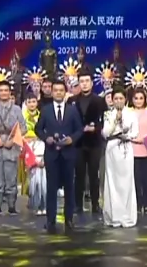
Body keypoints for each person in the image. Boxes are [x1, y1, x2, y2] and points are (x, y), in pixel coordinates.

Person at [35, 79, 84, 234]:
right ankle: (50, 220)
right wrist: (46, 138)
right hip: (52, 154)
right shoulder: (46, 110)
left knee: (69, 188)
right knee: (51, 188)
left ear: (65, 92)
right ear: (52, 92)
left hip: (68, 155)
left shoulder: (72, 110)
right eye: (55, 90)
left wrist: (72, 139)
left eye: (61, 90)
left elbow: (79, 130)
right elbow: (38, 129)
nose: (58, 93)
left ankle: (69, 219)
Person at [0, 80, 26, 215]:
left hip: (11, 149)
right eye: (1, 90)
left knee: (11, 179)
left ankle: (12, 206)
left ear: (10, 92)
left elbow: (23, 128)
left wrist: (13, 141)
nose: (3, 93)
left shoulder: (17, 110)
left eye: (6, 90)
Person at [70, 71, 107, 217]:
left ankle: (95, 204)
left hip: (94, 142)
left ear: (92, 83)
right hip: (78, 143)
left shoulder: (99, 101)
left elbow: (105, 120)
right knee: (78, 174)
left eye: (87, 81)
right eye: (82, 81)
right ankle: (77, 205)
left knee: (93, 174)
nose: (84, 84)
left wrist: (96, 128)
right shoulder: (72, 101)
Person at [101, 88, 138, 227]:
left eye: (121, 98)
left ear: (125, 99)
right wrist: (115, 121)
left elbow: (135, 132)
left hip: (126, 148)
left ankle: (127, 216)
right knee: (112, 182)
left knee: (127, 182)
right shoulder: (108, 114)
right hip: (112, 148)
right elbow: (105, 133)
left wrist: (126, 136)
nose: (118, 101)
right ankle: (114, 216)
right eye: (115, 98)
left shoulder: (131, 114)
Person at [129, 87, 147, 214]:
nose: (138, 101)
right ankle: (136, 204)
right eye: (136, 98)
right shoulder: (128, 113)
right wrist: (134, 139)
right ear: (132, 100)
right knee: (135, 179)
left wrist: (144, 139)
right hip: (132, 150)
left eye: (141, 98)